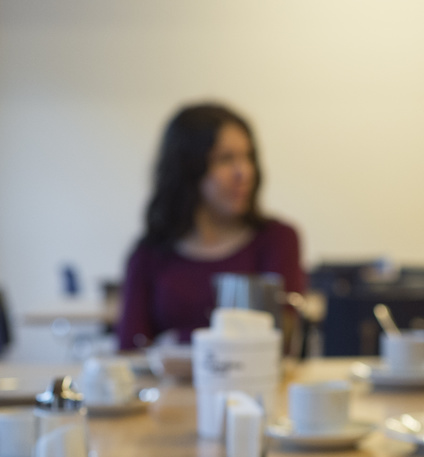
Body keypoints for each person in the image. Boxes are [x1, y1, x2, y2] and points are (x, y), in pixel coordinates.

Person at [115, 103, 305, 351]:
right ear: (188, 168)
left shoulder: (277, 240)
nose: (243, 172)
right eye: (226, 159)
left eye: (248, 157)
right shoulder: (149, 254)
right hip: (167, 390)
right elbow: (130, 348)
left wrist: (176, 341)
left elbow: (278, 341)